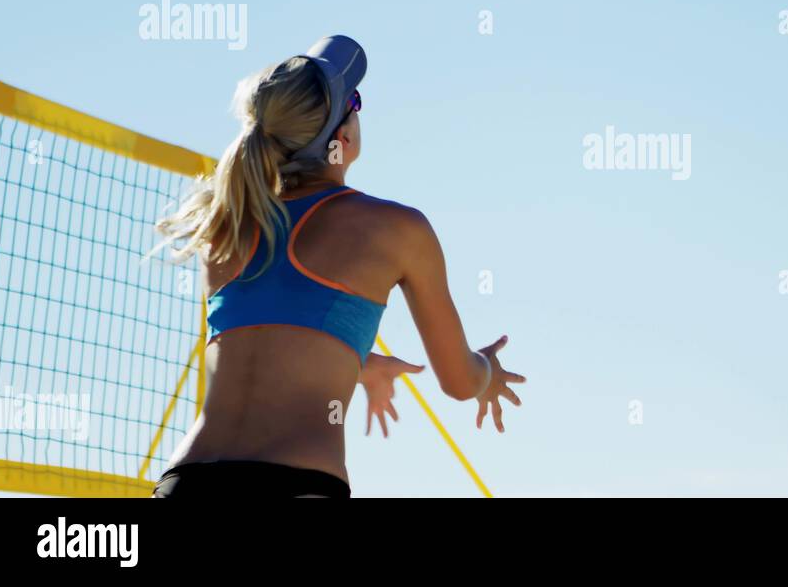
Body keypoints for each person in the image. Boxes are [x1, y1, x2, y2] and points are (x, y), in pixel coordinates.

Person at [150, 36, 524, 498]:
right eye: (356, 102)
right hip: (294, 484)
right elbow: (458, 381)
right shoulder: (397, 228)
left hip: (188, 482)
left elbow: (270, 334)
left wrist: (359, 363)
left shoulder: (226, 230)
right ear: (341, 139)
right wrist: (486, 371)